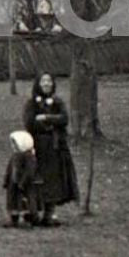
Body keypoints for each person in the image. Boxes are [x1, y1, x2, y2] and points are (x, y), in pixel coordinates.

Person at [24, 73, 80, 225]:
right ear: (38, 84)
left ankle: (50, 213)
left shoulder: (57, 101)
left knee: (54, 178)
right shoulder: (32, 103)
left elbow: (64, 119)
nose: (46, 84)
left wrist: (46, 118)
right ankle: (34, 211)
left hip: (55, 146)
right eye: (43, 81)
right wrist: (49, 125)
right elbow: (29, 123)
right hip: (38, 146)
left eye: (49, 81)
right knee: (38, 178)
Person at [3, 130, 41, 227]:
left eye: (15, 144)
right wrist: (6, 180)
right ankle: (14, 217)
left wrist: (23, 182)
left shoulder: (28, 156)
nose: (13, 146)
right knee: (13, 201)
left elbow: (30, 170)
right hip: (13, 183)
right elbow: (10, 168)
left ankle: (29, 217)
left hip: (25, 184)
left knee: (26, 200)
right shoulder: (14, 156)